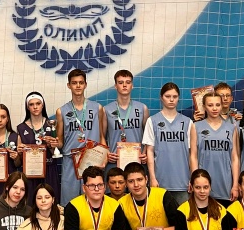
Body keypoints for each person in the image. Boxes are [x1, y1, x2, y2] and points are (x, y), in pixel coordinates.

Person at [55, 69, 105, 200]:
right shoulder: (61, 111)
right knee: (70, 201)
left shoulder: (97, 108)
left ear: (85, 85)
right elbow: (60, 142)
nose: (78, 86)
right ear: (68, 85)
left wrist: (104, 157)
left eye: (81, 83)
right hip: (71, 161)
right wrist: (53, 143)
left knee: (93, 199)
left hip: (92, 160)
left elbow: (102, 136)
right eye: (74, 83)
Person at [142, 82, 194, 201]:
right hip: (160, 181)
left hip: (183, 182)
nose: (171, 100)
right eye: (167, 96)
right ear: (161, 98)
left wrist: (192, 178)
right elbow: (149, 151)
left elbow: (192, 154)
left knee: (183, 213)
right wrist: (152, 178)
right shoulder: (152, 121)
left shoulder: (188, 122)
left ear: (178, 98)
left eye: (174, 97)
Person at [190, 89, 235, 201]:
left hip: (225, 182)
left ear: (221, 106)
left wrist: (235, 185)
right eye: (210, 105)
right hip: (202, 184)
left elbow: (235, 158)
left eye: (217, 105)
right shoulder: (196, 126)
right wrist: (194, 179)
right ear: (204, 107)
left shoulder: (232, 128)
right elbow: (193, 156)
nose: (214, 108)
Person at [16, 91, 61, 203]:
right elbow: (19, 160)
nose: (35, 107)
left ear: (43, 105)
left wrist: (52, 146)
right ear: (27, 107)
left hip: (49, 169)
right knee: (31, 204)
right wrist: (19, 152)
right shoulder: (21, 128)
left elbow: (56, 152)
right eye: (31, 104)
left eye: (38, 103)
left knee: (50, 203)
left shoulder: (52, 124)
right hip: (30, 172)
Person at [105, 69, 149, 156]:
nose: (124, 85)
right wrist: (107, 153)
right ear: (115, 86)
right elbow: (101, 136)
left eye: (128, 82)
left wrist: (145, 153)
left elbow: (148, 136)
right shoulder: (106, 110)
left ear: (132, 85)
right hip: (115, 158)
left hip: (137, 159)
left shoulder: (142, 108)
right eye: (120, 82)